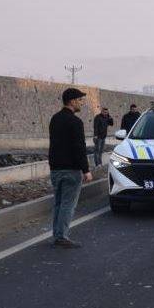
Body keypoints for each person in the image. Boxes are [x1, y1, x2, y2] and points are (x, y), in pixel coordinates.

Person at [48, 88, 92, 248]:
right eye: (80, 100)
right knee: (68, 204)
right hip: (71, 170)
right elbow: (79, 147)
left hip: (55, 169)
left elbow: (54, 144)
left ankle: (57, 234)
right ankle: (62, 236)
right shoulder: (75, 122)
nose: (81, 103)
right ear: (72, 101)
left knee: (59, 203)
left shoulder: (54, 119)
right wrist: (86, 170)